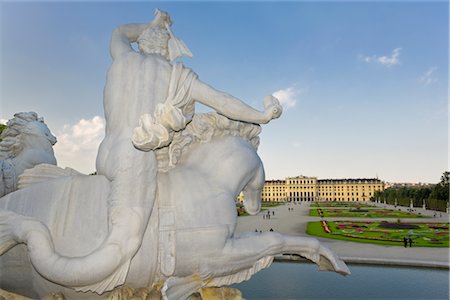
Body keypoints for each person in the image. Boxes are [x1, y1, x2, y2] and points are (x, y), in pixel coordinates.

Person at [93, 9, 282, 285]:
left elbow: (119, 32)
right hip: (137, 159)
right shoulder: (176, 75)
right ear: (169, 50)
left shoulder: (123, 58)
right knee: (127, 242)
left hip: (105, 156)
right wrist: (261, 116)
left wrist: (152, 23)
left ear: (142, 42)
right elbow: (223, 102)